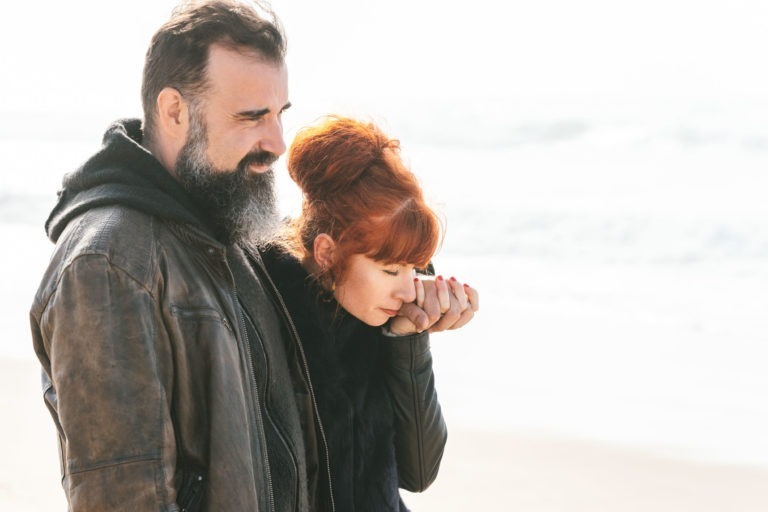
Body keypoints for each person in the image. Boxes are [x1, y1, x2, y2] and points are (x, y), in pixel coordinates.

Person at [28, 1, 471, 511]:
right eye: (251, 116)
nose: (278, 143)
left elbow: (335, 294)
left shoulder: (230, 228)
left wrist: (412, 299)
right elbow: (125, 499)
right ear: (174, 111)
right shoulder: (108, 264)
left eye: (280, 114)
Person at [260, 116, 479, 511]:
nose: (409, 287)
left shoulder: (377, 315)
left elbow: (419, 473)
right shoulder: (264, 317)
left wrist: (409, 340)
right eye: (390, 270)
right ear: (327, 253)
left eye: (416, 268)